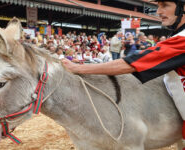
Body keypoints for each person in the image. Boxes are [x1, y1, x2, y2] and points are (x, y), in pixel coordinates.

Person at [62, 0, 185, 146]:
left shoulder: (181, 41)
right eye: (158, 6)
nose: (158, 11)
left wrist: (78, 68)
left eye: (164, 5)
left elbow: (129, 64)